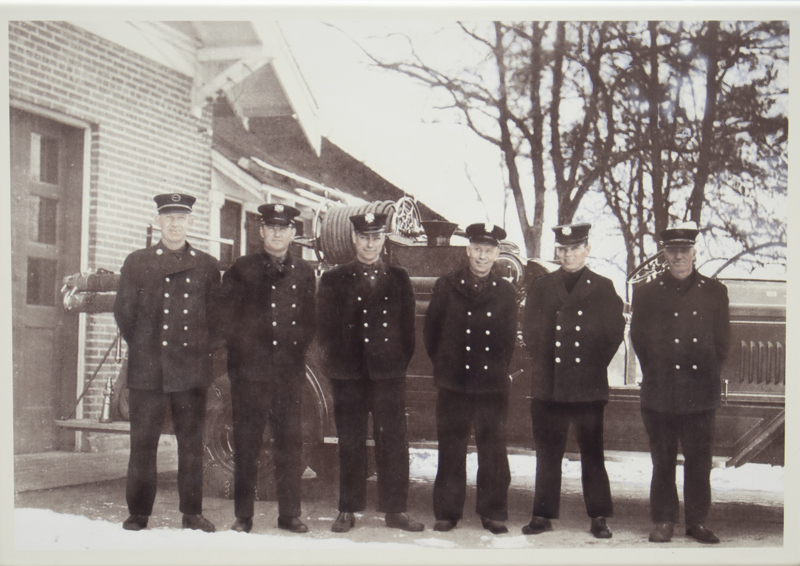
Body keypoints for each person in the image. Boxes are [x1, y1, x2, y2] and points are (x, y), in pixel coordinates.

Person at [113, 193, 220, 532]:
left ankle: (192, 513)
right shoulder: (137, 262)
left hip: (190, 371)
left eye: (181, 218)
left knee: (191, 445)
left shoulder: (206, 265)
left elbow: (217, 321)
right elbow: (125, 314)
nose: (175, 224)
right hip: (149, 369)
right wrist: (146, 349)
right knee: (143, 445)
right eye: (168, 217)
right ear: (157, 221)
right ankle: (138, 513)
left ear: (191, 222)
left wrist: (197, 354)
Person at [316, 212, 424, 533]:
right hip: (348, 375)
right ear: (354, 239)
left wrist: (394, 365)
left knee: (392, 440)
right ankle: (348, 509)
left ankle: (396, 511)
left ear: (383, 240)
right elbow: (324, 331)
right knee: (350, 441)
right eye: (364, 237)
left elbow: (407, 332)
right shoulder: (335, 279)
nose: (369, 244)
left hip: (388, 375)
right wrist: (337, 368)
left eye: (376, 237)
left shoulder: (399, 278)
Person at [520, 222, 625, 539]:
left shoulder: (604, 287)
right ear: (558, 251)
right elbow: (530, 332)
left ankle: (598, 517)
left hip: (587, 387)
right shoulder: (541, 286)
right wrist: (547, 365)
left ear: (587, 249)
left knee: (592, 454)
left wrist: (591, 367)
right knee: (547, 453)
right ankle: (542, 514)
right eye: (563, 249)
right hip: (548, 385)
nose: (568, 254)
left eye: (575, 248)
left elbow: (613, 334)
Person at [219, 203, 316, 534]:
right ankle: (243, 516)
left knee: (290, 444)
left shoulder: (304, 272)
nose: (277, 233)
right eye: (271, 227)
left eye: (284, 227)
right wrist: (247, 357)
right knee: (247, 443)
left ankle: (289, 514)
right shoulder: (241, 269)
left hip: (288, 375)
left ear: (293, 233)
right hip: (250, 375)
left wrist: (292, 352)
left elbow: (309, 322)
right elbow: (226, 321)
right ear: (261, 232)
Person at [631, 221, 730, 544]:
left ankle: (696, 521)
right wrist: (657, 374)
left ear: (694, 252)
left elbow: (722, 341)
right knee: (662, 459)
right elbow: (639, 339)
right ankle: (663, 520)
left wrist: (705, 374)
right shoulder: (646, 293)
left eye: (684, 250)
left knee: (699, 461)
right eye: (672, 251)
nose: (678, 257)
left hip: (700, 392)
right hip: (660, 390)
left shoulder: (715, 292)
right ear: (665, 253)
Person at [423, 223, 518, 535]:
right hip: (454, 382)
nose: (482, 256)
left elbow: (508, 340)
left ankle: (492, 512)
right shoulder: (446, 286)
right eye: (477, 248)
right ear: (467, 250)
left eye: (489, 250)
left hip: (491, 384)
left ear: (497, 254)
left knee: (493, 449)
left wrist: (495, 370)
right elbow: (431, 334)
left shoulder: (506, 291)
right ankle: (447, 513)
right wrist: (447, 366)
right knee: (451, 447)